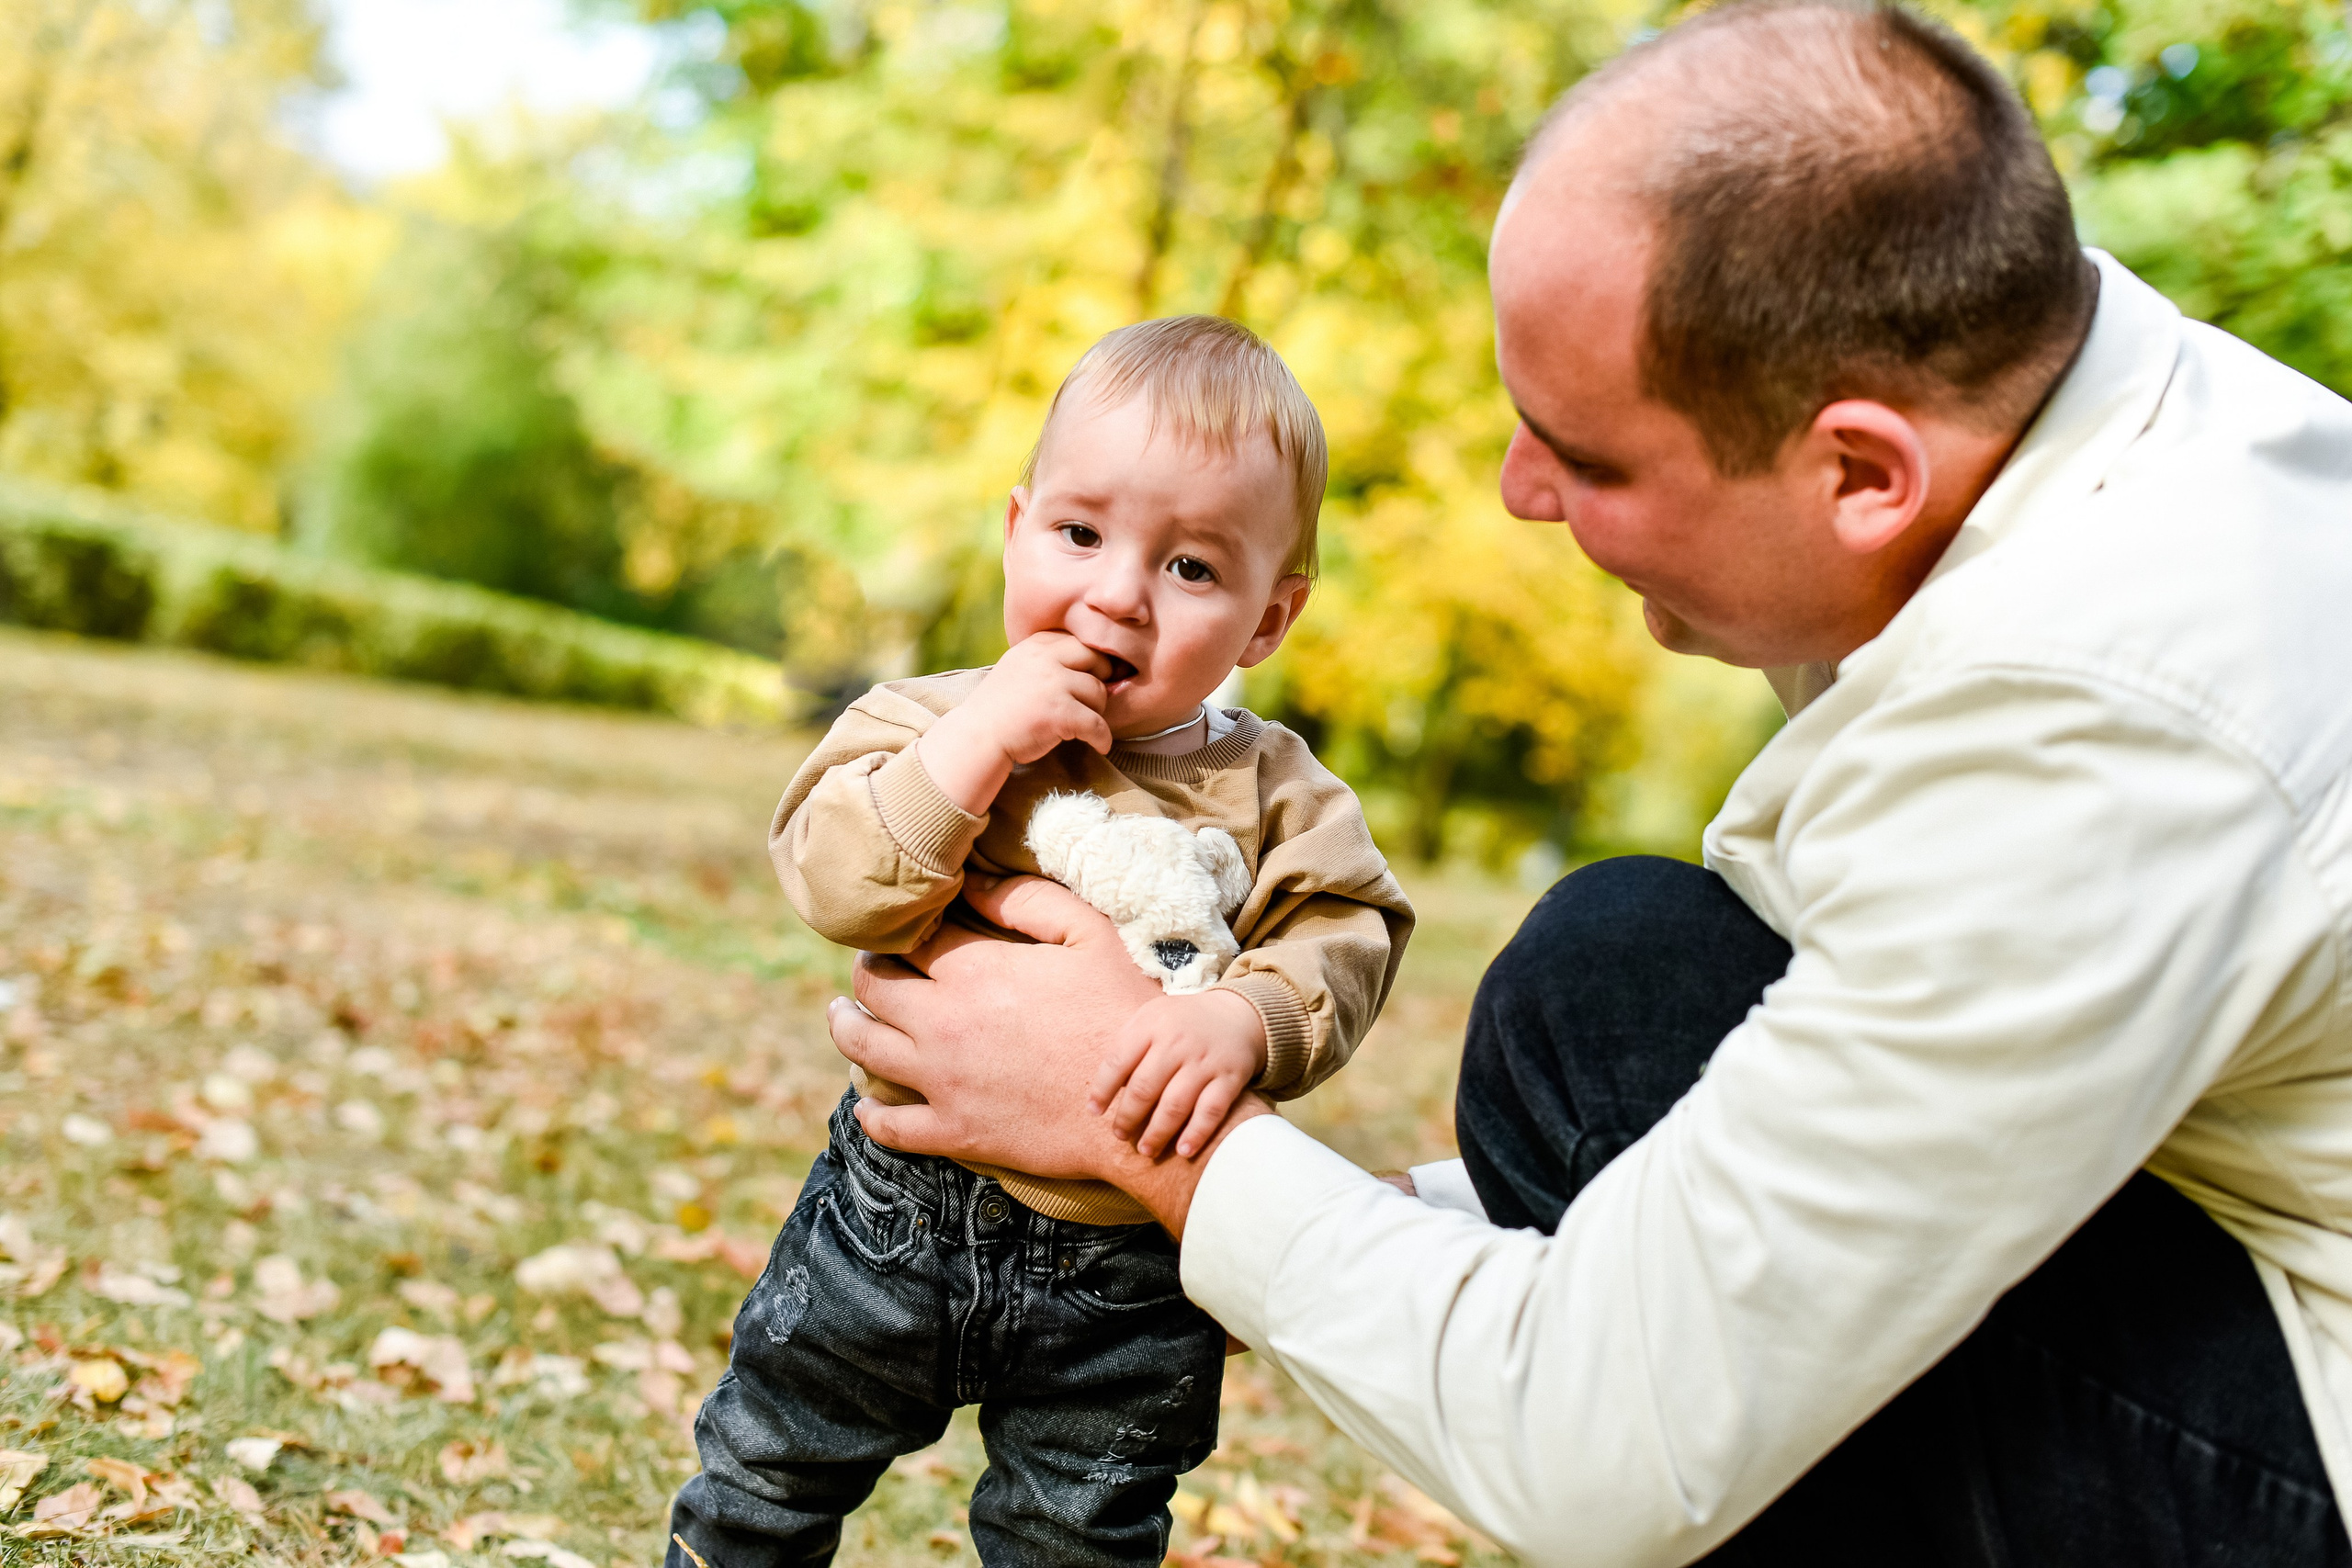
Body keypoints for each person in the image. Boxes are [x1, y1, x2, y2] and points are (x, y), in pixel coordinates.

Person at [820, 3, 2352, 1564]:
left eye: (1589, 456)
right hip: (2232, 1260)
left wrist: (1141, 1125)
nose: (1519, 493)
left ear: (1860, 474)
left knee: (1612, 981)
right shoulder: (2037, 399)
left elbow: (1613, 1448)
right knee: (1621, 993)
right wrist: (1333, 1216)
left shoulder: (2108, 716)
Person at [667, 315, 1414, 1568]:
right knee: (767, 1466)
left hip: (1133, 1263)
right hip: (896, 1207)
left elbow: (1348, 929)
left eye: (1192, 567)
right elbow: (835, 881)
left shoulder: (1280, 794)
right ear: (1016, 529)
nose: (1117, 593)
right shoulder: (927, 721)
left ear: (1268, 621)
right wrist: (972, 748)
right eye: (1080, 534)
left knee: (1077, 1539)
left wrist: (1245, 1018)